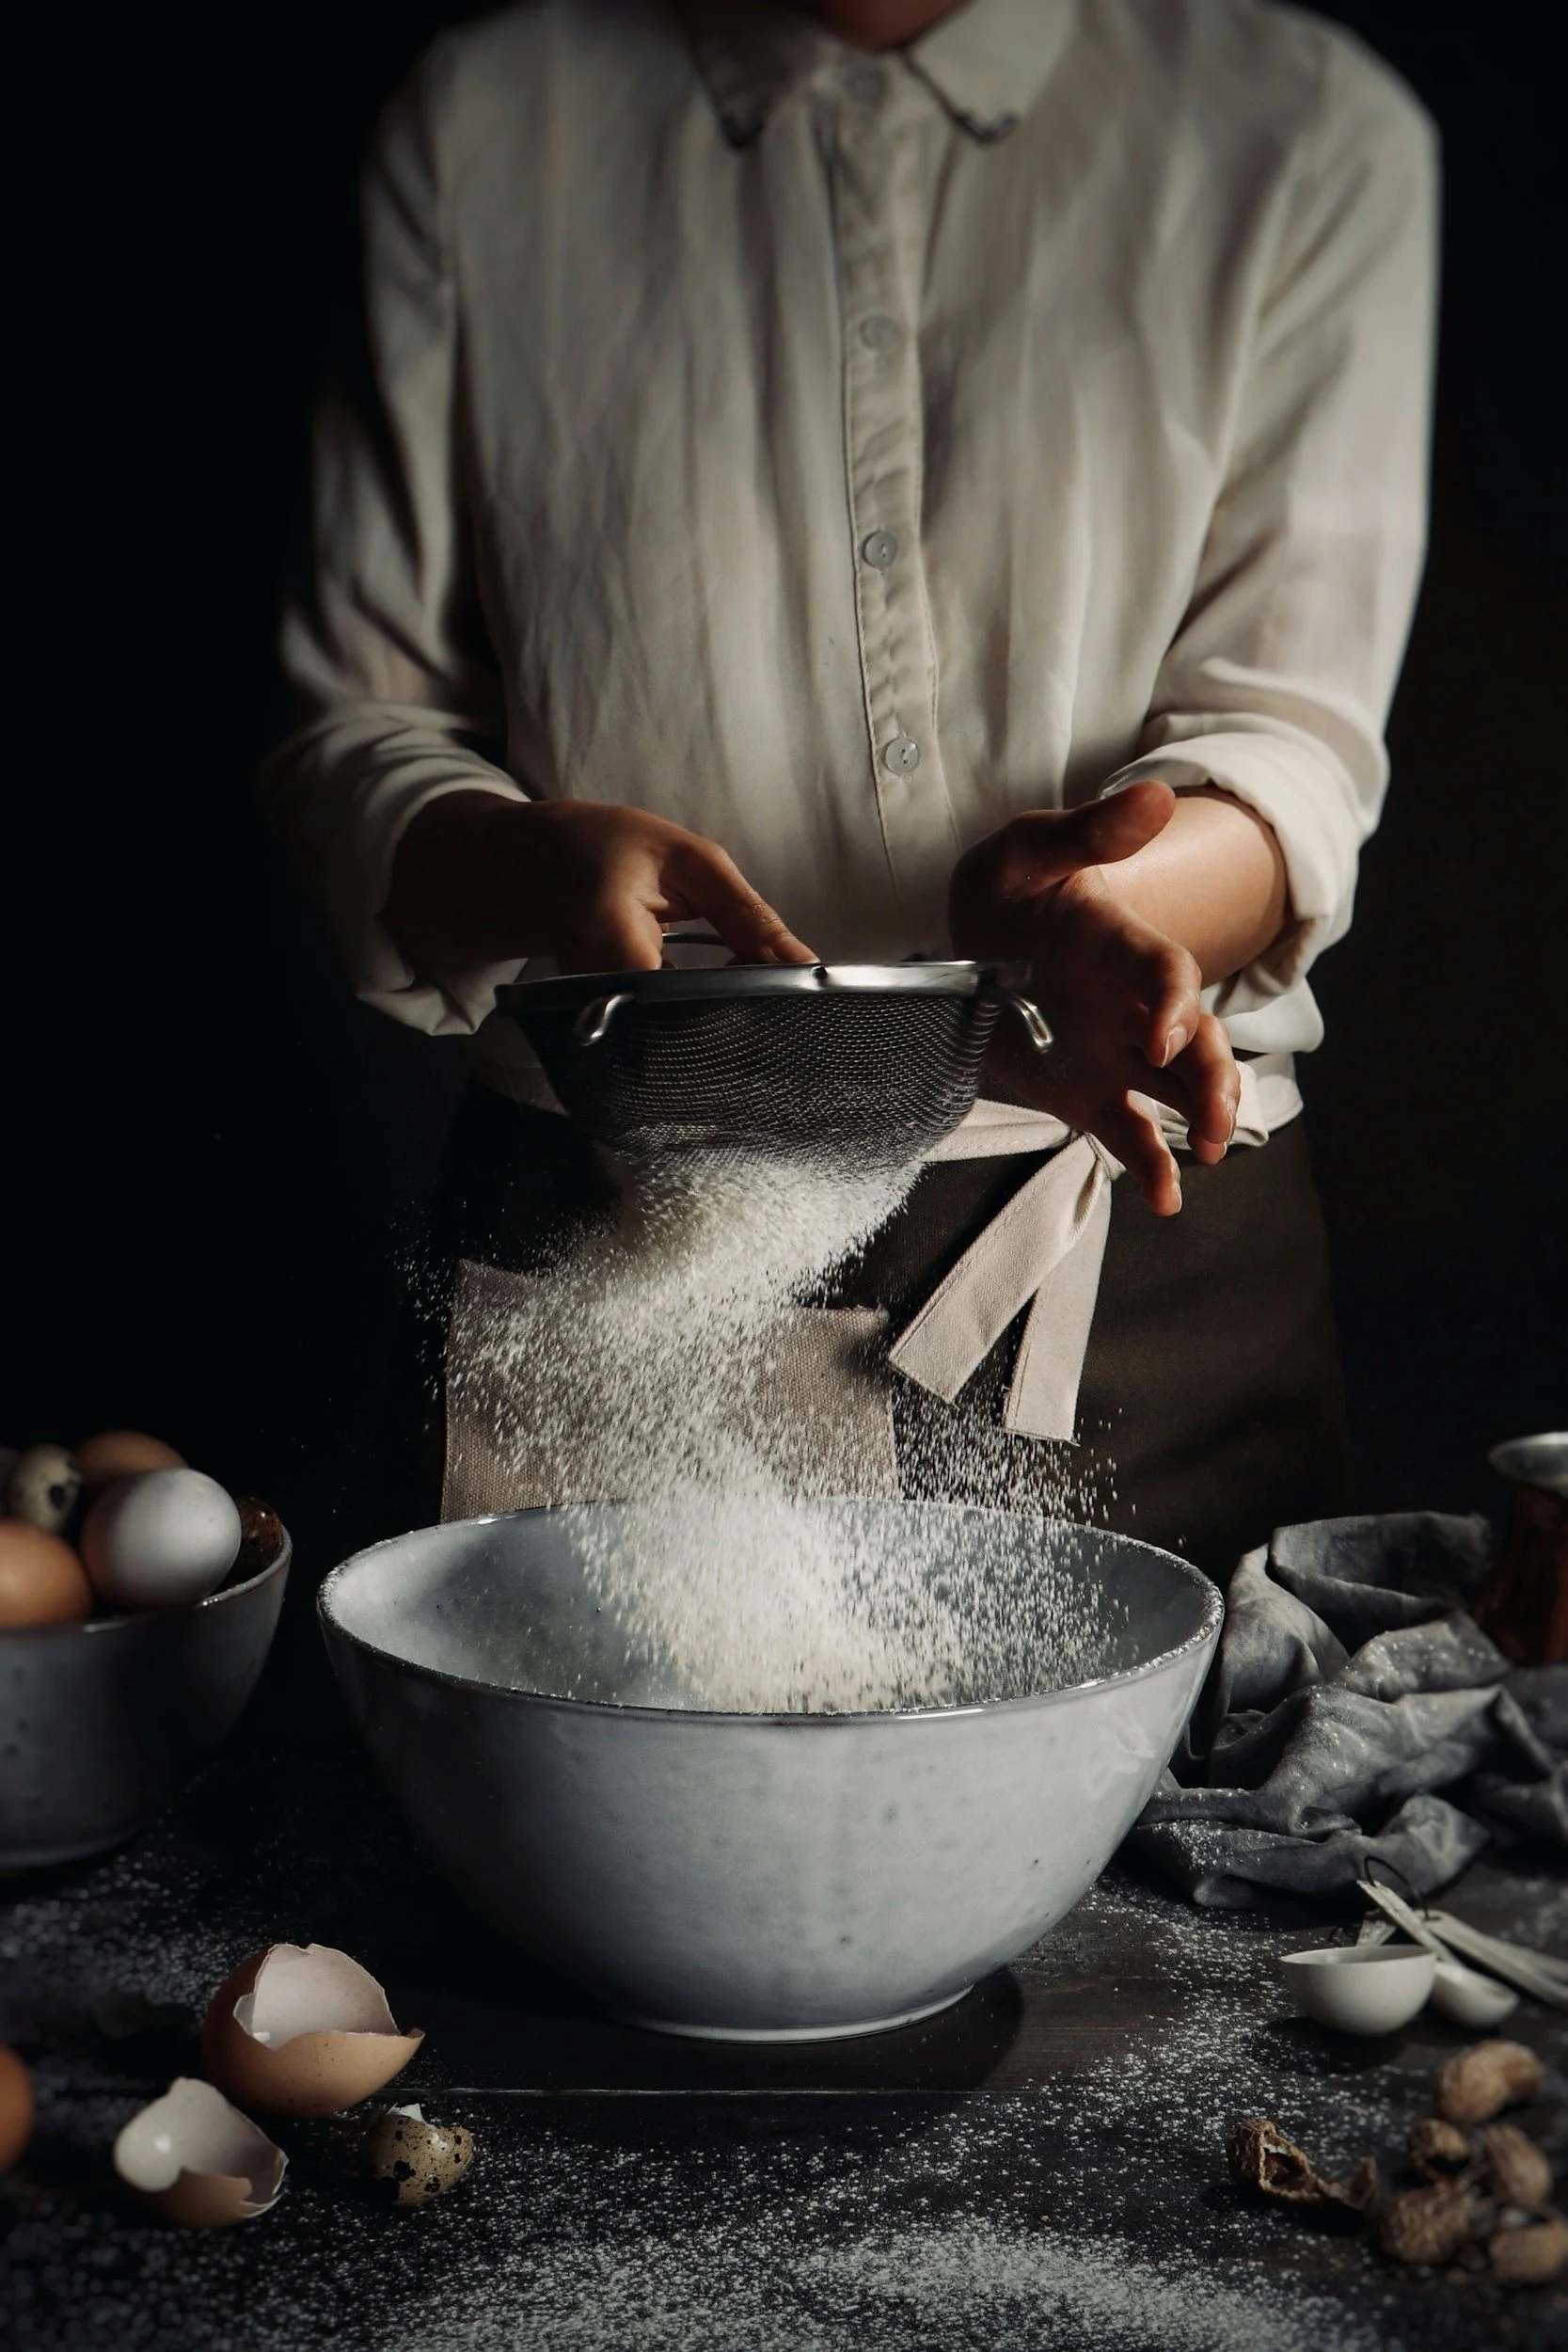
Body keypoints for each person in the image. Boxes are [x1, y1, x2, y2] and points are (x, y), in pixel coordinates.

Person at [266, 0, 1436, 1576]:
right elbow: (352, 727)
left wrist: (1109, 914)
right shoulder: (490, 120)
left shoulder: (1297, 119)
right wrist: (523, 862)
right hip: (622, 1238)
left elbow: (1290, 738)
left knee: (1211, 1815)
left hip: (1117, 1232)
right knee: (604, 1802)